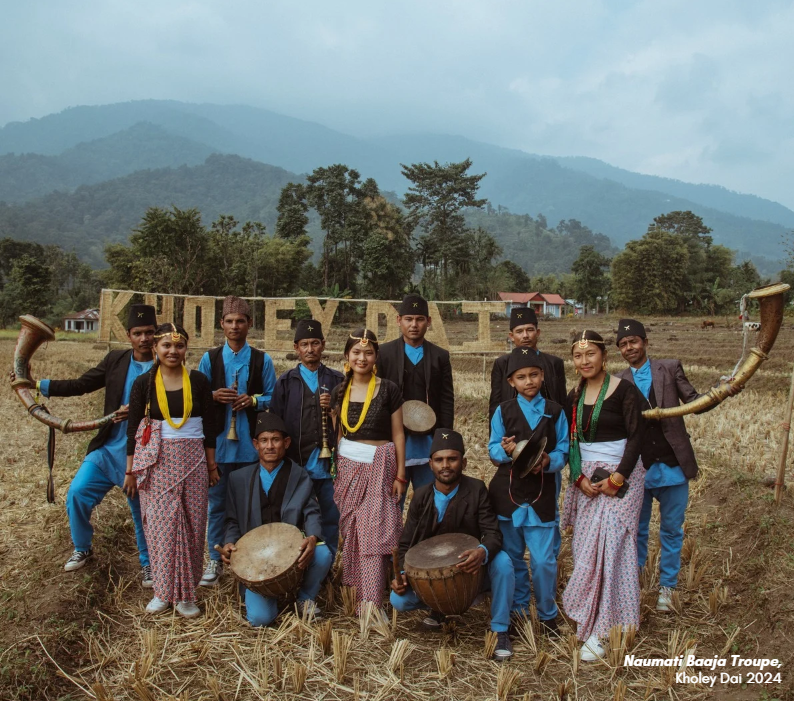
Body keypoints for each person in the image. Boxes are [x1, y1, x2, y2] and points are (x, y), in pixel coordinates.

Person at [615, 318, 736, 612]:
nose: (629, 347)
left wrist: (721, 391)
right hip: (637, 470)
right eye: (623, 344)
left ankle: (667, 588)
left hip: (672, 466)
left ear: (645, 342)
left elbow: (694, 402)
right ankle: (634, 585)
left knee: (671, 531)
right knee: (636, 531)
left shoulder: (669, 368)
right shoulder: (617, 381)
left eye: (634, 341)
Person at [31, 304, 156, 582]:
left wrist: (139, 412)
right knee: (77, 493)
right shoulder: (116, 360)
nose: (144, 339)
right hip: (107, 448)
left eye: (149, 332)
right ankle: (82, 548)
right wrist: (38, 385)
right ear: (128, 335)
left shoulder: (165, 365)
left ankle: (149, 564)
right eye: (138, 333)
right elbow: (81, 384)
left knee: (143, 513)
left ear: (156, 334)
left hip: (142, 455)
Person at [391, 429, 516, 661]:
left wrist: (482, 552)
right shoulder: (421, 496)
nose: (445, 465)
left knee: (503, 562)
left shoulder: (477, 489)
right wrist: (402, 575)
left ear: (464, 462)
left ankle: (500, 629)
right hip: (435, 576)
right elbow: (406, 543)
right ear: (430, 464)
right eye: (439, 460)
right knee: (398, 600)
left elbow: (493, 534)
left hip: (472, 573)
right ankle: (439, 608)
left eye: (452, 459)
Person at [125, 323, 219, 618]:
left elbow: (210, 428)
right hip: (157, 463)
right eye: (166, 345)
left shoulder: (199, 381)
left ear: (186, 349)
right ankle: (162, 592)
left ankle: (186, 595)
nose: (173, 351)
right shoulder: (143, 383)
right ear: (155, 348)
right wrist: (130, 471)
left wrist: (211, 466)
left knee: (193, 526)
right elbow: (133, 429)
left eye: (179, 346)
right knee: (160, 527)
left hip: (194, 462)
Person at [560, 330, 645, 661]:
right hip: (587, 482)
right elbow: (572, 442)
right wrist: (578, 477)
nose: (585, 361)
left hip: (621, 479)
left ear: (604, 357)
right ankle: (591, 615)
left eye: (590, 354)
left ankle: (605, 630)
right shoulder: (574, 395)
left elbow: (637, 437)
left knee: (612, 549)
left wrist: (617, 478)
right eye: (578, 356)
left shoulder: (624, 390)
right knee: (586, 549)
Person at [218, 412, 333, 626]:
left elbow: (311, 511)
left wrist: (312, 536)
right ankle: (266, 596)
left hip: (290, 552)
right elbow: (231, 521)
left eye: (275, 440)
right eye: (264, 440)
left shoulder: (300, 475)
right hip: (256, 558)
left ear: (286, 443)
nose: (270, 446)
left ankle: (305, 598)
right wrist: (229, 542)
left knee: (323, 553)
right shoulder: (238, 479)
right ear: (255, 444)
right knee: (260, 619)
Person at [487, 347, 569, 635]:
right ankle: (519, 609)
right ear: (511, 381)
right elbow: (492, 449)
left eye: (534, 375)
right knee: (512, 557)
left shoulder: (555, 412)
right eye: (521, 377)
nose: (529, 381)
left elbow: (563, 451)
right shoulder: (503, 411)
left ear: (542, 375)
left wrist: (547, 461)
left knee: (544, 560)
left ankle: (547, 614)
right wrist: (506, 451)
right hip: (508, 494)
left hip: (541, 494)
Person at [197, 296, 276, 586]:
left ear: (249, 324)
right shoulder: (209, 359)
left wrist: (253, 400)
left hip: (251, 448)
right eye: (229, 321)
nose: (234, 326)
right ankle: (214, 559)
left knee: (252, 505)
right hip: (218, 448)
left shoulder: (262, 360)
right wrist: (213, 396)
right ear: (221, 324)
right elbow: (196, 397)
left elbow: (274, 397)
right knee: (216, 506)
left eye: (240, 321)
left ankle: (251, 560)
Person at [331, 328, 407, 615]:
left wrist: (400, 475)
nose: (362, 358)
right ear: (346, 356)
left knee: (374, 533)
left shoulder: (388, 389)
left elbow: (398, 434)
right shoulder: (340, 391)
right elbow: (339, 434)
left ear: (376, 357)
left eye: (368, 353)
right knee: (352, 532)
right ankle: (355, 595)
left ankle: (372, 603)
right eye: (356, 352)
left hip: (381, 466)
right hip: (348, 468)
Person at [489, 305, 568, 558]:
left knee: (548, 508)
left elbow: (561, 403)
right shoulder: (502, 365)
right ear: (511, 335)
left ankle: (549, 562)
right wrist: (502, 447)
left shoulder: (553, 363)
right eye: (519, 331)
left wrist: (551, 456)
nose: (525, 335)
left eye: (530, 330)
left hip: (546, 447)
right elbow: (495, 404)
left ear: (538, 332)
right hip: (514, 445)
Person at [270, 319, 344, 559]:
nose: (310, 349)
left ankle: (327, 563)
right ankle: (296, 563)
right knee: (297, 516)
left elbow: (351, 422)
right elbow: (276, 423)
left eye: (315, 343)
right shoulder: (285, 382)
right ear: (296, 348)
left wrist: (335, 408)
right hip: (296, 465)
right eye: (304, 344)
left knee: (330, 517)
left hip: (329, 467)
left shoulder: (337, 380)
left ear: (323, 345)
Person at [377, 294, 454, 502]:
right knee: (393, 500)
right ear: (398, 320)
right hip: (394, 441)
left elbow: (446, 400)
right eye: (408, 319)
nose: (414, 325)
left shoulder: (440, 356)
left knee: (428, 499)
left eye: (420, 319)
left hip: (427, 442)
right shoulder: (384, 353)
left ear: (428, 322)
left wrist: (444, 439)